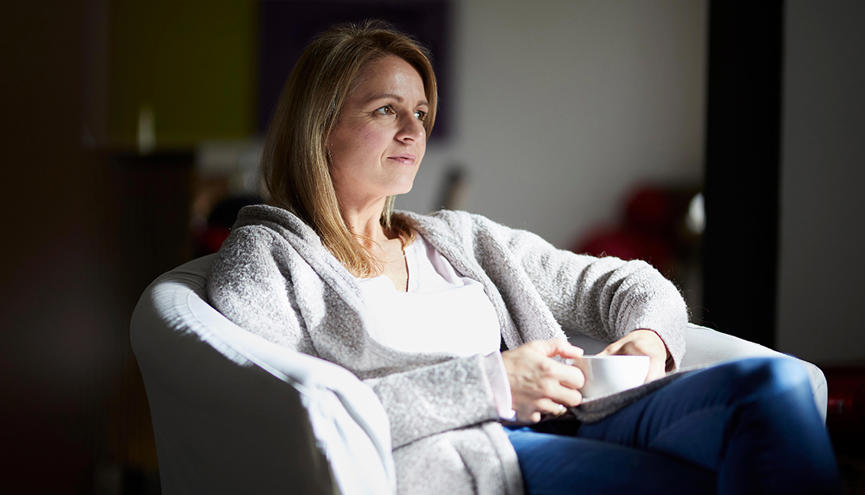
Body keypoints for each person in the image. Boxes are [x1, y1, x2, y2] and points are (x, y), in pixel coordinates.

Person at [207, 20, 841, 494]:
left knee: (776, 385)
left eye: (421, 112)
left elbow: (628, 284)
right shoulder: (267, 258)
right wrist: (493, 385)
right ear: (319, 125)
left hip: (579, 418)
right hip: (464, 458)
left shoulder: (462, 240)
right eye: (385, 110)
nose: (412, 130)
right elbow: (282, 420)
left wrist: (648, 339)